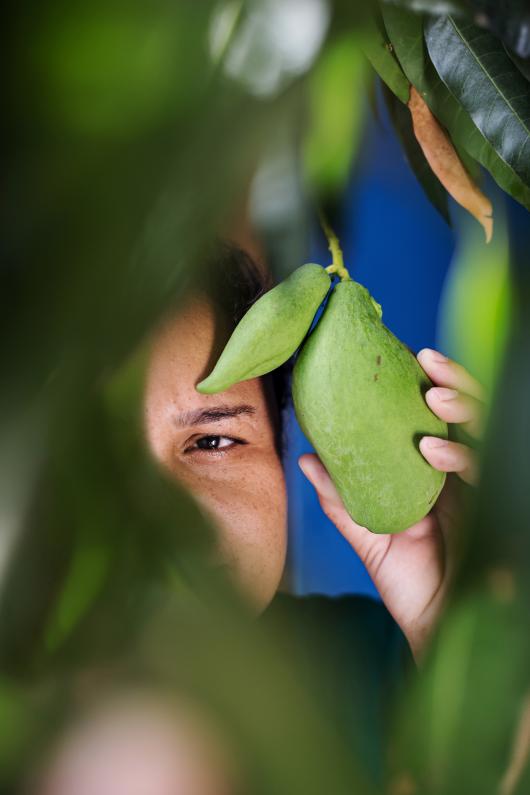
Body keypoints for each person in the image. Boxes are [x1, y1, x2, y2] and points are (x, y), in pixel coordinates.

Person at [143, 241, 483, 776]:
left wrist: (470, 630)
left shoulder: (384, 675)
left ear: (282, 451)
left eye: (212, 442)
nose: (168, 520)